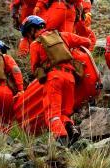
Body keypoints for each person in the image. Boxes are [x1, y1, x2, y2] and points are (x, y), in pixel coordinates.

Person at [22, 15, 91, 143]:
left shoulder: (35, 44)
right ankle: (71, 129)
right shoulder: (62, 36)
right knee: (65, 112)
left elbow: (35, 68)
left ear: (31, 30)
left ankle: (61, 141)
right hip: (70, 78)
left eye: (27, 34)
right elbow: (87, 42)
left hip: (54, 78)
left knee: (52, 114)